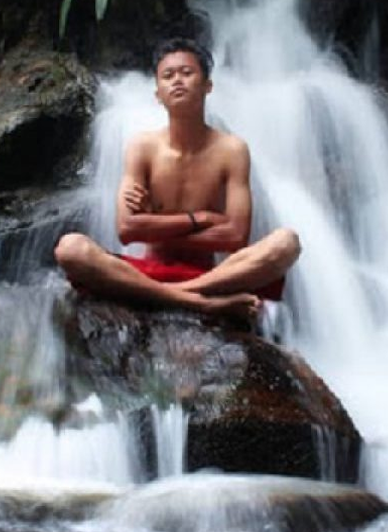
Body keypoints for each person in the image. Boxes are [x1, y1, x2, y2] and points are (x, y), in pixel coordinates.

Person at [55, 38, 300, 320]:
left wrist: (153, 225)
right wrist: (201, 218)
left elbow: (235, 236)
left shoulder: (232, 150)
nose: (177, 81)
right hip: (147, 271)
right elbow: (126, 229)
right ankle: (200, 303)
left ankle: (174, 295)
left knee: (286, 243)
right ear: (158, 93)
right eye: (168, 76)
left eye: (187, 72)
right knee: (71, 248)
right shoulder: (142, 147)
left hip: (214, 276)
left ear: (208, 86)